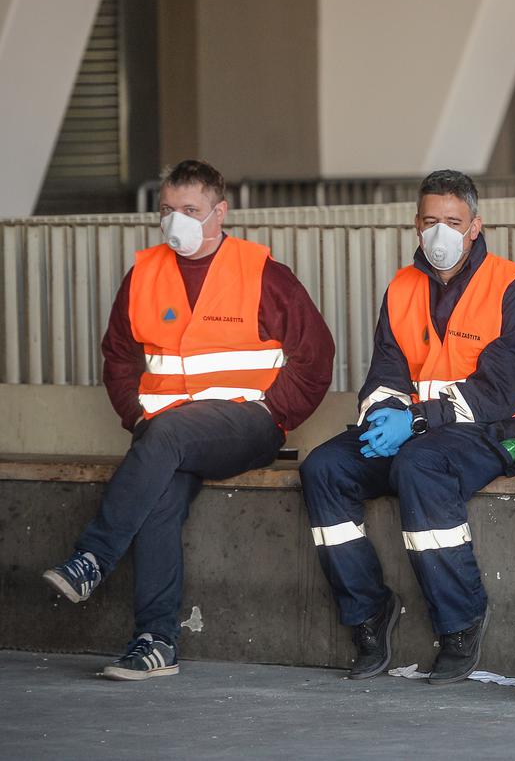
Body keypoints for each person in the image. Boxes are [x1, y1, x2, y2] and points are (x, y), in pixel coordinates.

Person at [42, 159, 334, 680]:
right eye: (168, 210)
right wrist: (138, 419)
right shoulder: (145, 274)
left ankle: (93, 558)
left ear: (219, 213)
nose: (176, 220)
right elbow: (119, 358)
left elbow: (316, 356)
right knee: (159, 495)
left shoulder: (262, 273)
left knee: (168, 433)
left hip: (247, 427)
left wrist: (274, 412)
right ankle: (155, 642)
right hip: (167, 439)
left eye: (190, 210)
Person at [299, 170, 515, 684]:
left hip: (504, 428)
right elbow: (386, 373)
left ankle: (460, 620)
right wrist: (379, 419)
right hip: (419, 428)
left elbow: (499, 393)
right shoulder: (401, 287)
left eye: (453, 221)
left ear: (476, 226)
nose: (441, 232)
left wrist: (412, 420)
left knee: (420, 464)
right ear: (416, 224)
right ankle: (368, 611)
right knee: (324, 467)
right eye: (431, 220)